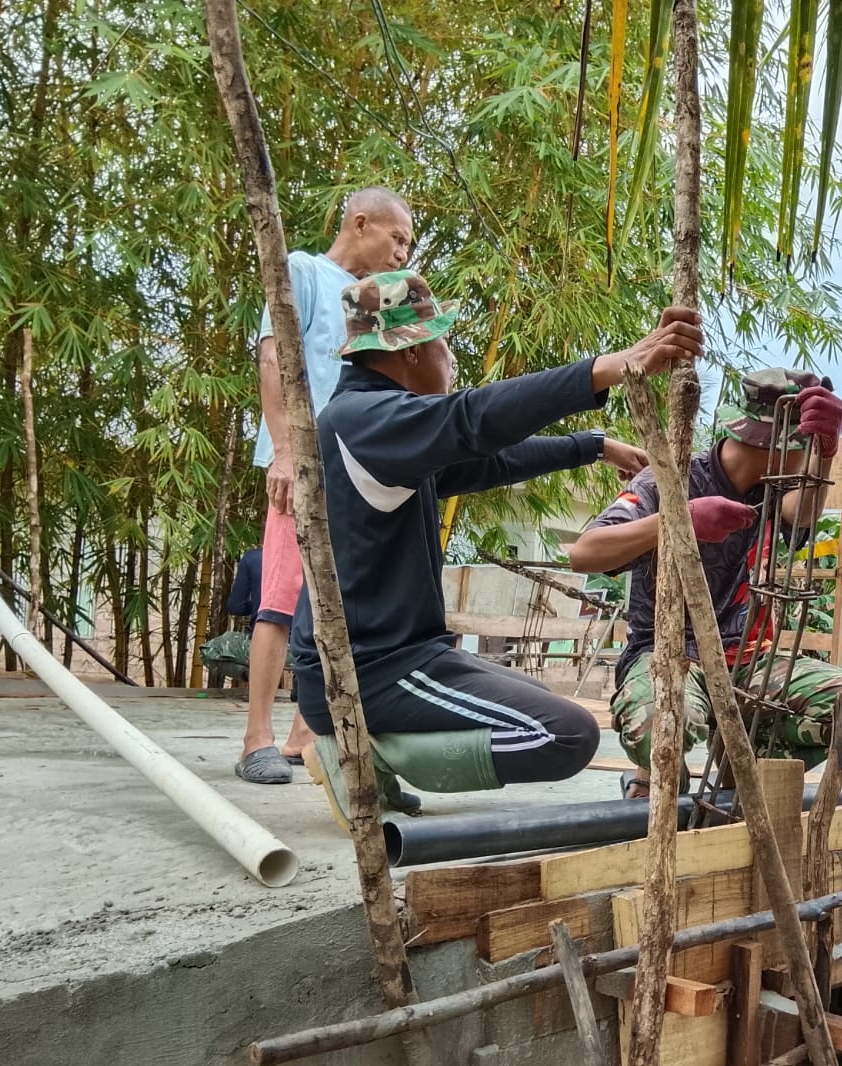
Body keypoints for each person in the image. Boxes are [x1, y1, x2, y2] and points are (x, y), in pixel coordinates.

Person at [291, 270, 700, 825]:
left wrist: (593, 446)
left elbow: (491, 460)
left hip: (398, 656)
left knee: (532, 696)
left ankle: (368, 750)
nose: (450, 359)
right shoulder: (367, 421)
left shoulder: (379, 427)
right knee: (564, 735)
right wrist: (610, 367)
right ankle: (360, 751)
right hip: (366, 671)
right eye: (444, 344)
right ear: (411, 352)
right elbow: (473, 419)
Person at [568, 368, 842, 798]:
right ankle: (655, 776)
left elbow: (801, 514)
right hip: (669, 653)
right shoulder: (670, 480)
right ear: (775, 447)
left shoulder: (773, 488)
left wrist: (825, 454)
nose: (807, 464)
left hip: (751, 661)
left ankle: (741, 767)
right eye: (806, 448)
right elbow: (585, 553)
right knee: (662, 726)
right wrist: (680, 520)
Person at [237, 186, 418, 785]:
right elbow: (273, 359)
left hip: (353, 469)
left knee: (335, 605)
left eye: (408, 244)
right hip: (303, 465)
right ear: (360, 223)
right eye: (397, 238)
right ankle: (256, 738)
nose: (402, 253)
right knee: (281, 596)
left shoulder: (376, 300)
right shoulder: (304, 272)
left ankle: (305, 736)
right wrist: (285, 450)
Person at [226, 547, 263, 632]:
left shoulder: (253, 557)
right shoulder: (295, 559)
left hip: (261, 631)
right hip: (292, 633)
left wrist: (257, 605)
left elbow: (235, 607)